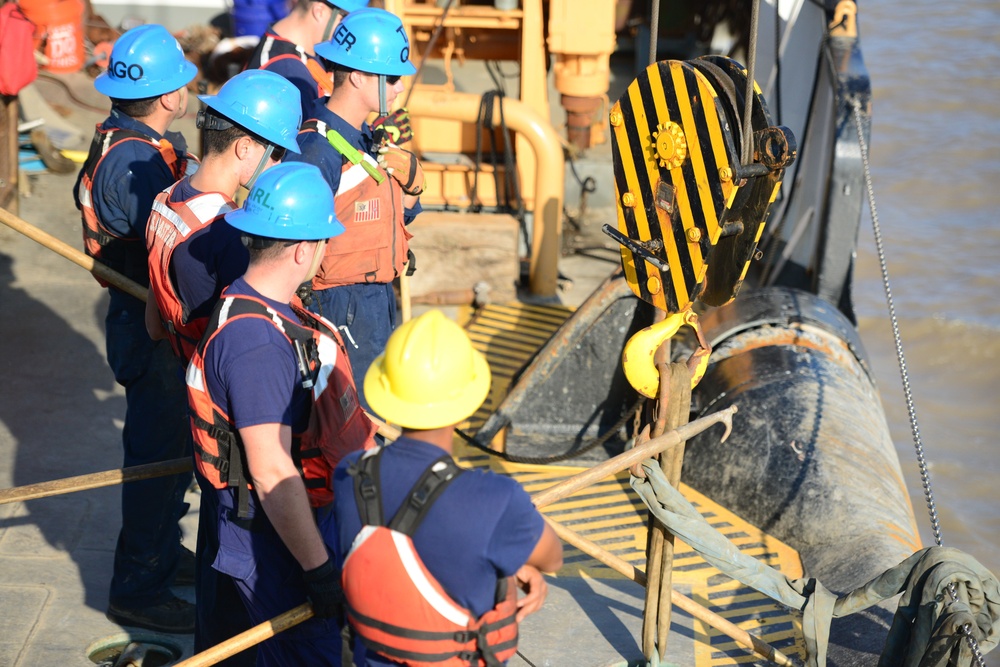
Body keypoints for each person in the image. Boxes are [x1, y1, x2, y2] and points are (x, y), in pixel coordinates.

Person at [186, 162, 377, 666]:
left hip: (280, 527)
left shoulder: (262, 306)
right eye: (322, 242)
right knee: (303, 655)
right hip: (273, 543)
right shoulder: (257, 345)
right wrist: (317, 569)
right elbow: (271, 469)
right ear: (302, 249)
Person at [144, 68, 302, 661]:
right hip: (232, 413)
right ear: (245, 148)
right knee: (244, 572)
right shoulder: (221, 237)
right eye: (274, 154)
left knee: (215, 551)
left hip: (189, 376)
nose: (276, 167)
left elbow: (155, 316)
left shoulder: (168, 201)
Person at [332, 310, 564, 666]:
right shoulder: (495, 499)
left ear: (388, 395)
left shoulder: (350, 475)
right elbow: (552, 558)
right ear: (465, 404)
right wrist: (514, 565)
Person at [73, 23, 199, 634]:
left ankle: (163, 554)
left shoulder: (130, 142)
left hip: (145, 315)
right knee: (157, 457)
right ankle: (138, 586)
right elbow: (167, 244)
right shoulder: (137, 160)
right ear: (170, 94)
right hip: (147, 322)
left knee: (172, 454)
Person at [286, 7, 424, 413]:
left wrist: (412, 191)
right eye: (393, 78)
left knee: (376, 411)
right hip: (339, 307)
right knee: (353, 422)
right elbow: (292, 249)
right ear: (361, 77)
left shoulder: (363, 138)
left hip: (373, 299)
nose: (400, 89)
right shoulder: (318, 151)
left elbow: (373, 218)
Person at [245, 0, 369, 115]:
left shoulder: (317, 51)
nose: (350, 30)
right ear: (319, 11)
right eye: (345, 18)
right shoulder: (287, 72)